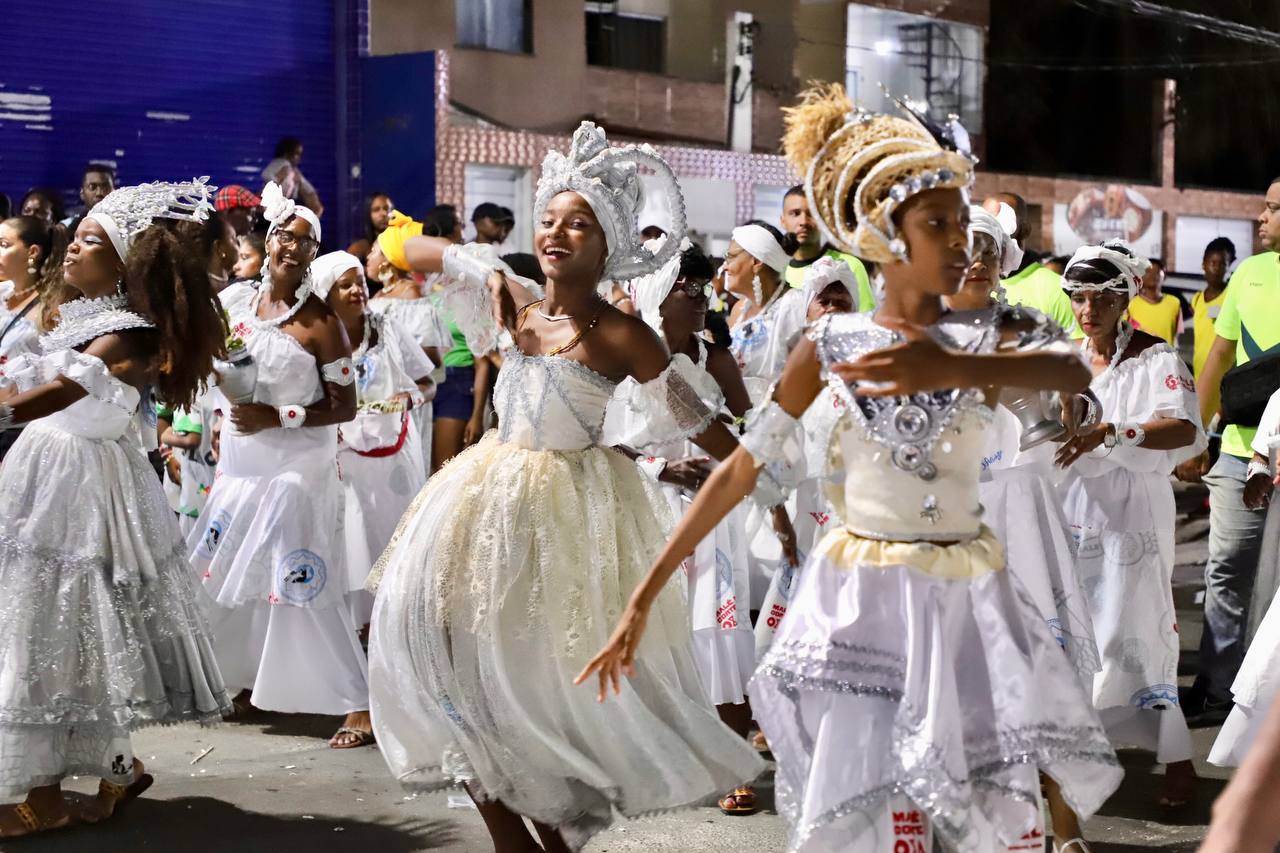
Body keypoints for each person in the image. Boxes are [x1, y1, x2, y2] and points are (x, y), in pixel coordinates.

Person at [580, 88, 1120, 851]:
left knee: (975, 798)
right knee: (873, 804)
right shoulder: (830, 345)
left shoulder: (986, 336)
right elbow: (742, 468)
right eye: (939, 223)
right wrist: (643, 595)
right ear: (884, 237)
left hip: (966, 596)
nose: (960, 241)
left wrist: (1034, 386)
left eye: (962, 222)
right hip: (862, 602)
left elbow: (1065, 386)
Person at [366, 121, 763, 853]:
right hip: (481, 503)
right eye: (549, 219)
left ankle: (547, 837)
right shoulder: (515, 299)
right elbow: (395, 247)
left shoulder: (622, 334)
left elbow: (697, 420)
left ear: (607, 245)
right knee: (449, 662)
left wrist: (758, 471)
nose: (556, 233)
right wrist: (478, 261)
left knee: (532, 685)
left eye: (578, 223)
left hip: (566, 520)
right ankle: (511, 837)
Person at [0, 179, 231, 837]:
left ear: (125, 263)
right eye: (74, 238)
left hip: (77, 495)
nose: (72, 249)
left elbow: (48, 397)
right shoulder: (79, 317)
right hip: (41, 478)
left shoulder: (126, 335)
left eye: (91, 242)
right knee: (42, 634)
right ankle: (115, 771)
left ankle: (45, 795)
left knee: (49, 635)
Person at [188, 182, 367, 748]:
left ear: (314, 254)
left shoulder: (322, 324)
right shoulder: (236, 303)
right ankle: (246, 679)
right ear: (268, 240)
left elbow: (345, 407)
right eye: (285, 236)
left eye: (305, 241)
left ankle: (357, 702)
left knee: (297, 574)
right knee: (239, 570)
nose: (293, 247)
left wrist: (279, 416)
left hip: (298, 466)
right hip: (242, 461)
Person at [946, 206, 1103, 846]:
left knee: (1049, 672)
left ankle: (1065, 830)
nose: (978, 260)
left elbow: (1080, 402)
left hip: (1027, 513)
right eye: (967, 248)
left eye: (989, 250)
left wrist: (1075, 403)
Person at [1052, 242, 1205, 809]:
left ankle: (1177, 761)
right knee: (1075, 632)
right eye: (1079, 298)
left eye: (1100, 298)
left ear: (1124, 301)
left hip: (1132, 513)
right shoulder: (1065, 358)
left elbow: (1184, 429)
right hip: (1072, 508)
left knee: (1136, 631)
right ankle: (1071, 761)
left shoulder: (1155, 357)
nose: (1087, 310)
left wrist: (1115, 433)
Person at [616, 238, 766, 815]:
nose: (703, 297)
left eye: (706, 286)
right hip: (644, 505)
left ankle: (733, 761)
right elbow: (602, 440)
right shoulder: (621, 359)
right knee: (653, 629)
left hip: (710, 511)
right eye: (690, 287)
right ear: (658, 293)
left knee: (720, 625)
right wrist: (662, 468)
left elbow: (750, 424)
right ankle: (654, 758)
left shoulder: (713, 358)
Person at [1189, 178, 1280, 725]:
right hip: (1240, 451)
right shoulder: (1249, 273)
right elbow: (1219, 357)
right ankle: (1218, 688)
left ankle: (1263, 702)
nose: (1261, 216)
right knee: (1225, 571)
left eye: (1273, 208)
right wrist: (1195, 434)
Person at [314, 251, 434, 646]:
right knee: (356, 536)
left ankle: (398, 622)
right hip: (345, 457)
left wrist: (411, 397)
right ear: (326, 294)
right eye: (345, 285)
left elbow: (428, 381)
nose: (357, 291)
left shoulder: (388, 327)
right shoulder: (318, 339)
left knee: (396, 531)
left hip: (394, 454)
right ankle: (359, 628)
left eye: (360, 283)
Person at [367, 211, 452, 468]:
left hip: (404, 397)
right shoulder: (380, 295)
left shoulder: (412, 295)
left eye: (374, 251)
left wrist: (392, 354)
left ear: (388, 260)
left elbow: (432, 358)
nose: (368, 256)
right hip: (377, 395)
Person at [0, 216, 68, 460]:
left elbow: (56, 374)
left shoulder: (51, 306)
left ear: (32, 252)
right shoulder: (3, 292)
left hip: (18, 427)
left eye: (4, 245)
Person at [984, 192, 1078, 333]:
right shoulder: (969, 287)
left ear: (1025, 230)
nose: (993, 232)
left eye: (1002, 223)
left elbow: (1081, 345)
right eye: (984, 222)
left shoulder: (1057, 290)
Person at [777, 183, 874, 310]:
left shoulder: (848, 265)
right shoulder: (776, 272)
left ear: (824, 219)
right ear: (782, 221)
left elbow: (865, 316)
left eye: (812, 214)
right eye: (795, 213)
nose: (803, 221)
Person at [1191, 237, 1237, 383]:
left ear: (1228, 266)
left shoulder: (1232, 296)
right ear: (1203, 264)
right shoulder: (1196, 299)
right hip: (1199, 374)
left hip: (1226, 377)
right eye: (1213, 263)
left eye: (1223, 264)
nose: (1216, 268)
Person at [260, 137, 322, 216]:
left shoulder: (293, 170)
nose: (299, 158)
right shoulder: (282, 163)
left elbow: (306, 187)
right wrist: (276, 182)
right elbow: (266, 174)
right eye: (297, 154)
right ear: (287, 154)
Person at [1127, 258, 1182, 345]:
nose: (1153, 275)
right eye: (1148, 271)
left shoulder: (1174, 303)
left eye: (1157, 271)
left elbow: (1176, 334)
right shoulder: (1129, 303)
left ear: (1164, 276)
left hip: (1166, 353)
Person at [62, 163, 116, 230]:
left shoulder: (126, 224)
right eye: (92, 187)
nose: (99, 193)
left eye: (105, 187)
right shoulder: (72, 227)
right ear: (82, 194)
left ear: (115, 192)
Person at [346, 191, 393, 262]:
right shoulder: (359, 247)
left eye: (387, 209)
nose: (383, 213)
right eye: (376, 210)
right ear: (368, 214)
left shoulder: (401, 242)